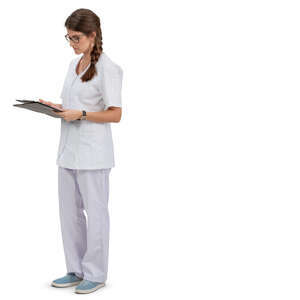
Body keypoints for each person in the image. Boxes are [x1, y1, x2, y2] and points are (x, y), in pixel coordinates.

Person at [39, 8, 123, 294]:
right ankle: (75, 269)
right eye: (68, 38)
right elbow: (72, 106)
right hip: (68, 152)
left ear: (92, 35)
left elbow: (115, 114)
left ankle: (96, 274)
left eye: (76, 38)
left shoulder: (108, 69)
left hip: (94, 154)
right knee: (69, 213)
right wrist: (56, 108)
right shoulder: (73, 65)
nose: (72, 43)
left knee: (96, 214)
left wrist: (83, 114)